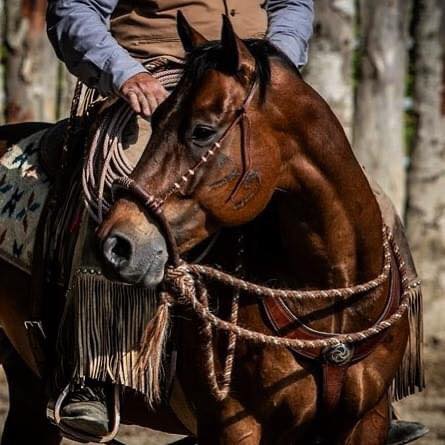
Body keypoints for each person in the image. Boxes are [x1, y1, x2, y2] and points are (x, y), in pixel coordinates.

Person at [46, 1, 427, 444]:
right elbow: (74, 8)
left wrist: (274, 61)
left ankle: (376, 380)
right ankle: (95, 368)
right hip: (152, 80)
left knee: (364, 200)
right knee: (119, 186)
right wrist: (124, 72)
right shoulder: (136, 75)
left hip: (256, 79)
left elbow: (293, 3)